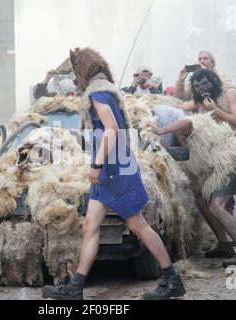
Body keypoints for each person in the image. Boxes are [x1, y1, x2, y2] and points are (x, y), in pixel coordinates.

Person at [42, 47, 186, 300]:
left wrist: (96, 165)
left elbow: (111, 130)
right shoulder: (104, 89)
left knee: (138, 225)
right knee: (90, 225)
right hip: (111, 170)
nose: (75, 79)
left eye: (76, 73)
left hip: (116, 171)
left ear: (83, 70)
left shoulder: (97, 93)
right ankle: (75, 288)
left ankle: (172, 280)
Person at [150, 116, 236, 256]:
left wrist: (160, 131)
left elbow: (188, 122)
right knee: (202, 200)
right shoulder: (193, 155)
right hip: (223, 167)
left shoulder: (193, 129)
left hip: (229, 161)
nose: (183, 141)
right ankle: (224, 244)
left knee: (217, 206)